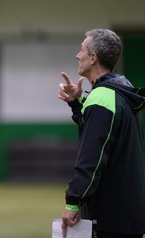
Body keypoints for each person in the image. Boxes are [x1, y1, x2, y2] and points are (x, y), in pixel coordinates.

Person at [58, 29, 145, 238]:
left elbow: (92, 158)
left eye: (82, 50)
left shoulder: (102, 99)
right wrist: (77, 104)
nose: (78, 55)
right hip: (127, 212)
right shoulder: (120, 90)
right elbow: (96, 132)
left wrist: (73, 201)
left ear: (94, 57)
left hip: (110, 216)